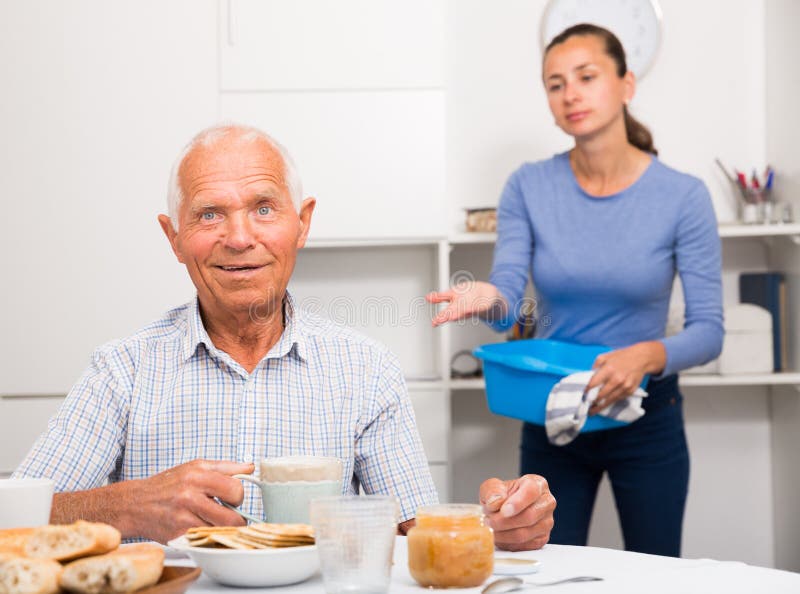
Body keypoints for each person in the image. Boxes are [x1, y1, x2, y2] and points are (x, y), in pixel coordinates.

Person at [14, 123, 555, 550]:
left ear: (303, 222)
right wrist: (129, 505)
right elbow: (11, 522)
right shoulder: (121, 370)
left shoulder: (365, 368)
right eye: (209, 215)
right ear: (174, 238)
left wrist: (495, 523)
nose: (240, 237)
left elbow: (412, 536)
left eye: (264, 208)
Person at [426, 24, 723, 557]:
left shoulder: (683, 196)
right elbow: (510, 299)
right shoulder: (527, 186)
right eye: (555, 83)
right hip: (554, 415)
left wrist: (647, 355)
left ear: (626, 84)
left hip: (648, 418)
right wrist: (487, 297)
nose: (571, 94)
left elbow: (709, 332)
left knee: (658, 571)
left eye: (587, 77)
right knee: (542, 567)